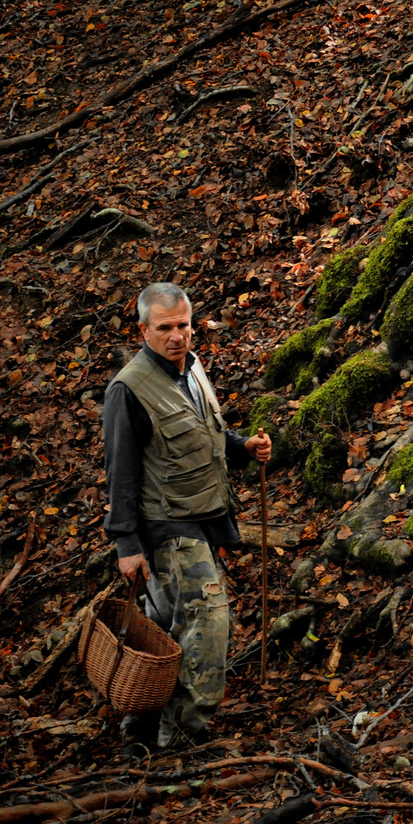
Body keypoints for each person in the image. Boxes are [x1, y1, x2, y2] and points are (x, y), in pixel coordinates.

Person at [103, 282, 271, 752]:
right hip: (167, 529)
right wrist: (127, 545)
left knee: (169, 627)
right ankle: (181, 737)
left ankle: (141, 730)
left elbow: (204, 432)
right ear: (143, 330)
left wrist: (243, 449)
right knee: (208, 622)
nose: (177, 336)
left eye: (183, 325)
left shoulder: (191, 369)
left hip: (201, 518)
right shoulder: (128, 389)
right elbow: (120, 472)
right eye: (165, 328)